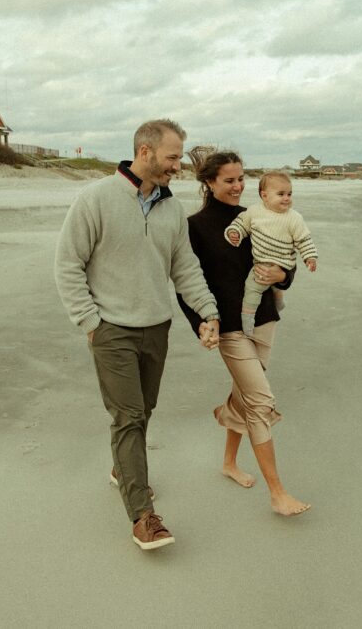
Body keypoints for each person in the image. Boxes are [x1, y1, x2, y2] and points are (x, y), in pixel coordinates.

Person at [54, 119, 221, 551]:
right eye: (171, 157)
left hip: (156, 328)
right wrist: (89, 322)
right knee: (128, 416)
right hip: (110, 329)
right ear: (144, 152)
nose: (178, 166)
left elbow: (184, 267)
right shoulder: (95, 199)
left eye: (179, 157)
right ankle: (142, 515)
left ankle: (122, 469)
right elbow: (68, 264)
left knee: (143, 409)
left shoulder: (171, 209)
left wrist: (207, 312)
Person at [177, 147, 311, 516]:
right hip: (230, 328)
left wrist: (283, 275)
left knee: (246, 392)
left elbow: (287, 260)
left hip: (265, 318)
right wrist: (202, 323)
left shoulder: (258, 216)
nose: (238, 186)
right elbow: (186, 282)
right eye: (229, 180)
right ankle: (277, 493)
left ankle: (229, 463)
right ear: (209, 182)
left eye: (241, 179)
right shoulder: (194, 227)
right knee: (261, 401)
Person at [225, 172, 318, 336]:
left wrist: (309, 256)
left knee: (253, 288)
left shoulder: (294, 218)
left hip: (282, 263)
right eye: (281, 194)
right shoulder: (254, 211)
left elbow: (303, 239)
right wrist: (235, 232)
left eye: (289, 194)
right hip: (262, 262)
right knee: (255, 288)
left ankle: (247, 320)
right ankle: (264, 309)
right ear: (264, 195)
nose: (287, 198)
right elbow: (241, 223)